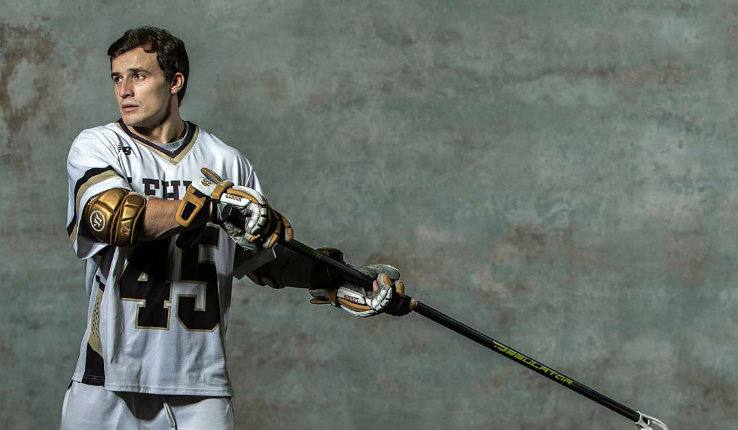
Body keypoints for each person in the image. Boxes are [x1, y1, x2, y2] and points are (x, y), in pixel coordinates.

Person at [62, 26, 412, 430]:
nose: (124, 90)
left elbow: (262, 259)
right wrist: (207, 206)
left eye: (138, 76)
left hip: (201, 384)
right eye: (117, 78)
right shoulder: (97, 145)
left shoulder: (227, 162)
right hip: (108, 380)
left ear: (175, 82)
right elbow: (111, 216)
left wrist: (339, 279)